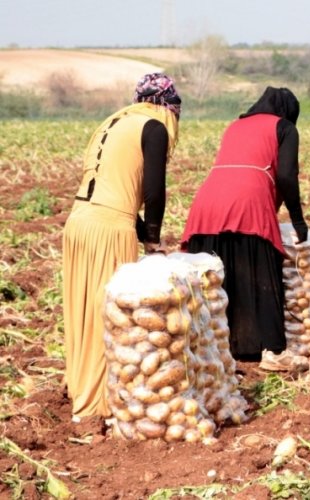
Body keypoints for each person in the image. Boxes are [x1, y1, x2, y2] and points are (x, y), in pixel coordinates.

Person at [62, 73, 181, 418]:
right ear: (168, 108)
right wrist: (154, 240)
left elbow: (112, 187)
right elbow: (153, 192)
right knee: (111, 318)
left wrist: (143, 232)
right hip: (109, 230)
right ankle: (96, 405)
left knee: (82, 312)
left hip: (79, 221)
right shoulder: (153, 127)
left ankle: (79, 385)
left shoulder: (114, 122)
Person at [181, 87, 309, 372]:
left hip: (207, 202)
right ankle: (273, 352)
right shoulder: (284, 127)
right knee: (262, 273)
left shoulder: (236, 125)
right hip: (247, 201)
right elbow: (287, 175)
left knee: (217, 282)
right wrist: (298, 222)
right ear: (288, 112)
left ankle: (215, 353)